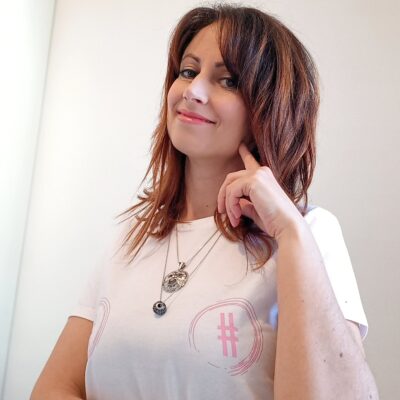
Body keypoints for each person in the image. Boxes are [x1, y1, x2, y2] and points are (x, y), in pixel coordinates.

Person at [31, 4, 379, 400]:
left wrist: (290, 233)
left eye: (227, 80)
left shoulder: (308, 233)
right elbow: (54, 387)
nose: (192, 91)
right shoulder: (133, 235)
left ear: (269, 110)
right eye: (187, 71)